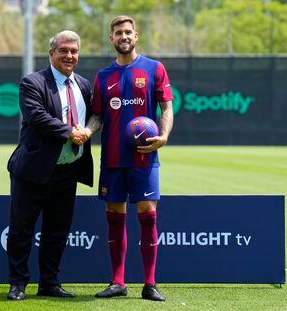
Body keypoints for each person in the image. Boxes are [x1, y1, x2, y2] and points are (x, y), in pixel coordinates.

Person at [84, 15, 174, 301]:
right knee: (115, 219)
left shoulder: (154, 68)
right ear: (111, 39)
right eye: (118, 33)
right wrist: (87, 131)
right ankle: (118, 282)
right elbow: (97, 115)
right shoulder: (102, 76)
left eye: (128, 32)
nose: (123, 36)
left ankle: (150, 284)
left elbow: (166, 108)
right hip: (112, 159)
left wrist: (163, 135)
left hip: (145, 158)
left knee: (147, 218)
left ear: (136, 36)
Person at [6, 30, 93, 301]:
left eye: (74, 51)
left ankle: (49, 283)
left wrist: (88, 131)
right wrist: (70, 132)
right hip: (33, 170)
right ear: (51, 53)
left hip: (67, 171)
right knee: (22, 229)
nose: (69, 56)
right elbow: (37, 116)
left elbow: (95, 117)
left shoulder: (84, 85)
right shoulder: (32, 82)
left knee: (58, 230)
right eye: (64, 50)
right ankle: (18, 284)